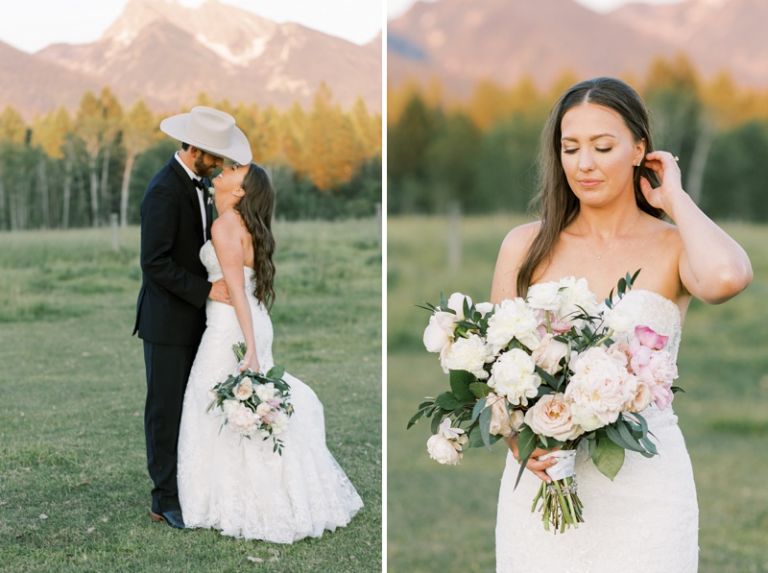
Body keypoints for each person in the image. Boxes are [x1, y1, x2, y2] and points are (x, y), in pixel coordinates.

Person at [490, 77, 752, 572]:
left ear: (639, 150)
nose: (584, 164)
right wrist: (520, 441)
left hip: (647, 488)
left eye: (602, 146)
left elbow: (728, 276)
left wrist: (673, 197)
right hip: (546, 483)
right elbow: (498, 376)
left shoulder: (673, 246)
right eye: (570, 148)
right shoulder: (524, 247)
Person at [176, 162, 363, 542]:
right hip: (255, 322)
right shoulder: (249, 226)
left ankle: (220, 500)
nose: (223, 171)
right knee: (245, 407)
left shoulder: (224, 225)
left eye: (232, 171)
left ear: (241, 191)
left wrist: (251, 351)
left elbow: (238, 293)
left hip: (231, 326)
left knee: (209, 400)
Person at [133, 106, 252, 529]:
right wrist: (208, 290)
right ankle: (163, 498)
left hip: (198, 320)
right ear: (196, 148)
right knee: (165, 409)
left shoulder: (200, 186)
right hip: (166, 322)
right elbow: (155, 263)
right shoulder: (163, 190)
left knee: (192, 406)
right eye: (215, 155)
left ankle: (189, 484)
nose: (219, 164)